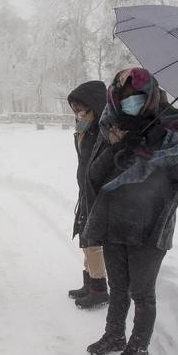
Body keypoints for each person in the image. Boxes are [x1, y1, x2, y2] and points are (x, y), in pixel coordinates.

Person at [83, 67, 178, 355]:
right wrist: (122, 145)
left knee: (142, 293)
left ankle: (139, 349)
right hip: (115, 221)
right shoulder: (111, 127)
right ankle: (114, 335)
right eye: (125, 98)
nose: (130, 103)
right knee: (118, 286)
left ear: (151, 96)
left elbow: (176, 179)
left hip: (149, 227)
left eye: (138, 97)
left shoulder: (175, 133)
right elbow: (94, 177)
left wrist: (153, 146)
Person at [66, 81, 110, 310]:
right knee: (85, 235)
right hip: (86, 190)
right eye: (75, 110)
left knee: (92, 240)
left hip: (98, 192)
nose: (78, 114)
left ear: (96, 105)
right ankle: (88, 282)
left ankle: (99, 289)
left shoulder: (104, 132)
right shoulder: (86, 129)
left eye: (83, 109)